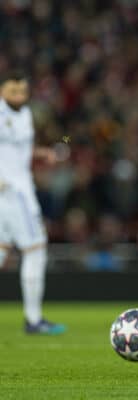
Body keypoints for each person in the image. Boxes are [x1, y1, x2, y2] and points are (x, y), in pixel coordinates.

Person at [0, 71, 66, 335]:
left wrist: (43, 153)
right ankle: (33, 319)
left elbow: (18, 150)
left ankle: (34, 319)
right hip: (14, 192)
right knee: (35, 249)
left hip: (16, 189)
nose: (18, 95)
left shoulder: (24, 115)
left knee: (2, 249)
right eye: (12, 90)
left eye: (21, 91)